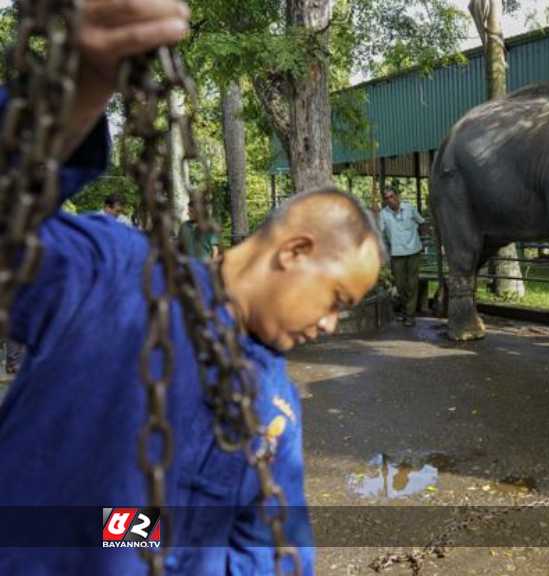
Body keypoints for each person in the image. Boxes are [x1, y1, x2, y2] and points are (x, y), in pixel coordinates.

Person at [0, 2, 382, 574]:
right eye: (337, 300)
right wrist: (77, 84)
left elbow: (273, 557)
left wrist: (136, 537)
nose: (330, 324)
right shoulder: (111, 273)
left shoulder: (275, 411)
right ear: (296, 250)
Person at [378, 186, 428, 327]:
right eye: (387, 198)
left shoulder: (410, 208)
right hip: (397, 254)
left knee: (412, 284)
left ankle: (410, 315)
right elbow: (379, 232)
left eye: (392, 196)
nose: (390, 200)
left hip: (413, 251)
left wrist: (424, 241)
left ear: (397, 196)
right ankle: (407, 311)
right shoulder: (383, 214)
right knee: (400, 285)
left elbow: (422, 222)